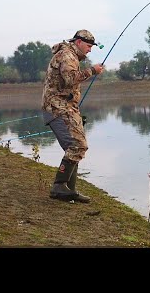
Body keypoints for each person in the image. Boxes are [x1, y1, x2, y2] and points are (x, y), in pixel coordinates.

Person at [42, 29, 104, 203]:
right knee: (77, 145)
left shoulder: (71, 55)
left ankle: (70, 190)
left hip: (67, 107)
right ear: (78, 42)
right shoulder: (67, 55)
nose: (90, 49)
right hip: (58, 107)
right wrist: (92, 70)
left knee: (74, 147)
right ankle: (59, 186)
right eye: (89, 46)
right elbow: (70, 78)